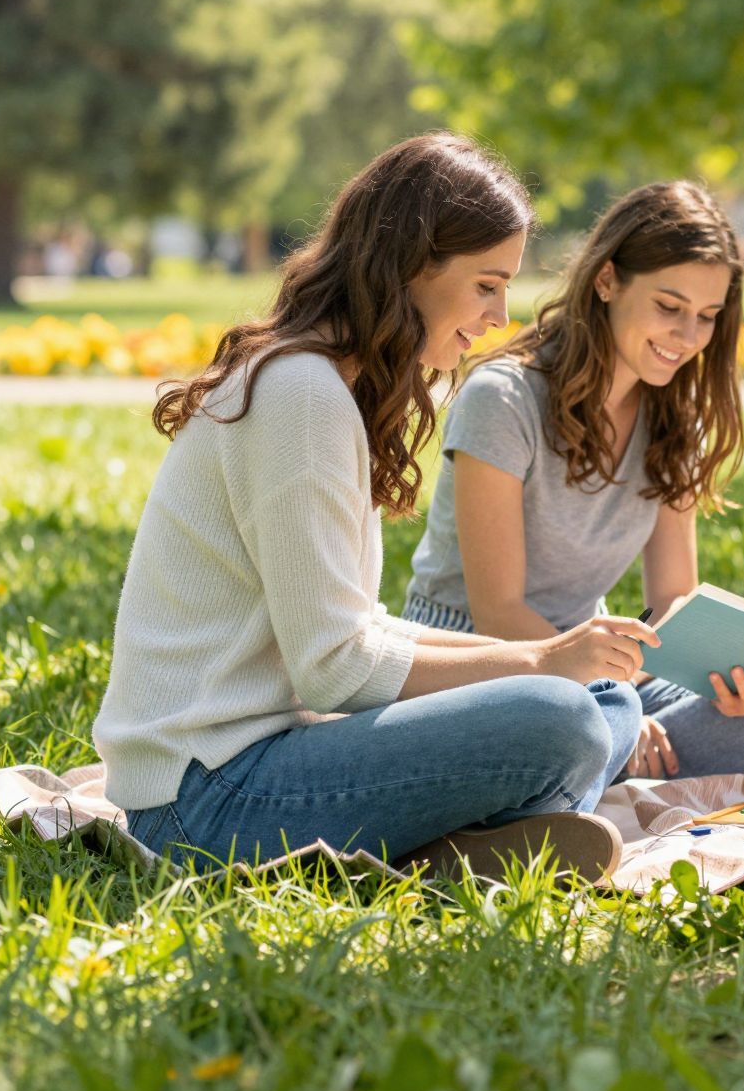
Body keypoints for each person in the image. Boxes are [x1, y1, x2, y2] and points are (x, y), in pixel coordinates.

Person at [94, 135, 654, 881]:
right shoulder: (299, 395)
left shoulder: (328, 387)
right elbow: (334, 668)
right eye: (487, 284)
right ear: (415, 264)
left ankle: (450, 842)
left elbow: (357, 630)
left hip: (260, 762)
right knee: (568, 720)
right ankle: (460, 842)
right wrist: (538, 662)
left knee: (603, 701)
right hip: (204, 802)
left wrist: (560, 659)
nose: (499, 315)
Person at [402, 181, 744, 780]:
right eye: (669, 307)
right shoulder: (503, 399)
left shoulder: (672, 418)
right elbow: (498, 611)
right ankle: (591, 752)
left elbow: (674, 596)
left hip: (596, 666)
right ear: (606, 281)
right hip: (476, 663)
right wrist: (608, 699)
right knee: (577, 723)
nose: (687, 336)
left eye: (706, 317)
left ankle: (590, 762)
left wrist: (727, 674)